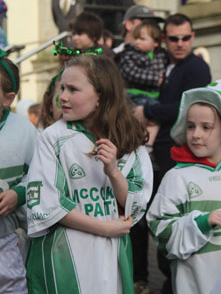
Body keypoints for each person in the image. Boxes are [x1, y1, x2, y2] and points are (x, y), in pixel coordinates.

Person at [25, 55, 153, 294]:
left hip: (111, 252)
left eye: (73, 89)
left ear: (101, 97)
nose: (62, 96)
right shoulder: (52, 138)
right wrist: (104, 228)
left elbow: (135, 203)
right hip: (66, 255)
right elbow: (48, 203)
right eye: (62, 88)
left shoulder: (130, 139)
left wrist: (113, 172)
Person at [147, 74, 221, 294]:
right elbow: (159, 230)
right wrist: (200, 223)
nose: (196, 135)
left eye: (206, 127)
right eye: (190, 126)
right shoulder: (176, 177)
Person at [131, 13, 211, 293]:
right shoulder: (165, 63)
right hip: (157, 149)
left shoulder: (197, 67)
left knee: (170, 218)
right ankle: (146, 277)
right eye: (174, 38)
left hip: (177, 152)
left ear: (193, 36)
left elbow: (188, 107)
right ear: (164, 39)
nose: (180, 43)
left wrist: (148, 111)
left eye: (185, 38)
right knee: (145, 216)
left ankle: (170, 281)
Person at [0, 52, 37, 294]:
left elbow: (39, 177)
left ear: (8, 98)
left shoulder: (25, 131)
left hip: (4, 240)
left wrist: (18, 194)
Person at [117, 20, 168, 102]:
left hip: (156, 95)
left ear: (155, 42)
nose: (137, 42)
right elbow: (131, 72)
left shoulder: (162, 55)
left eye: (142, 39)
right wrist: (155, 79)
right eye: (136, 38)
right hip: (134, 94)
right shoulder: (129, 54)